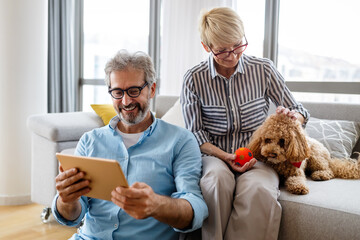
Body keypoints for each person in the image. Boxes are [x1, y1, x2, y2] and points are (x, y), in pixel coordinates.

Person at [181, 7, 309, 240]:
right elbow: (196, 135)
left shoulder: (264, 69)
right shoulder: (193, 79)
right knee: (215, 183)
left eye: (237, 45)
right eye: (222, 50)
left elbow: (300, 111)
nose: (232, 55)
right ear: (206, 47)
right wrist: (225, 156)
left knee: (259, 190)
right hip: (215, 156)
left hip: (258, 156)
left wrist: (293, 117)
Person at [52, 50, 208, 240]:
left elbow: (195, 208)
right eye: (117, 92)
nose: (126, 102)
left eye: (134, 91)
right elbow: (72, 216)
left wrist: (156, 205)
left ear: (151, 89)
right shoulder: (89, 141)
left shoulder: (180, 140)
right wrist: (67, 200)